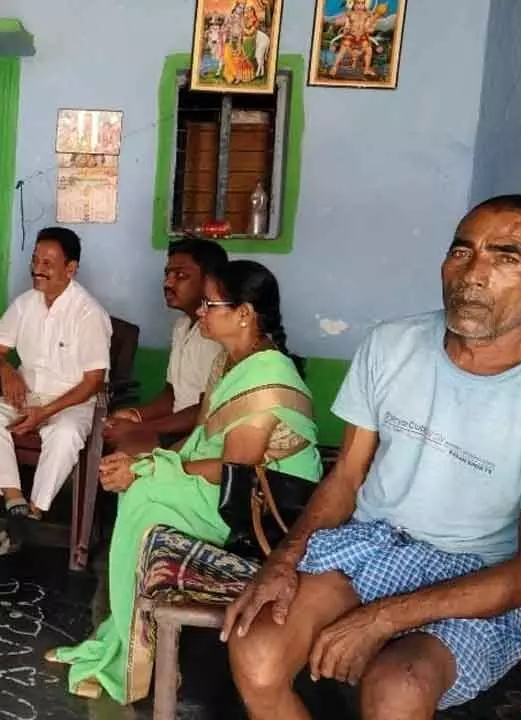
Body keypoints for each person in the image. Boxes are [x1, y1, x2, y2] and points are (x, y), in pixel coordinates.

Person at [224, 194, 521, 718]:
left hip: (477, 574)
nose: (474, 274)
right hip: (371, 545)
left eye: (505, 257)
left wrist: (381, 619)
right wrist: (282, 563)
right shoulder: (391, 345)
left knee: (400, 686)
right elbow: (346, 476)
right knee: (255, 651)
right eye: (462, 252)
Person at [50, 259, 322, 703]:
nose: (201, 312)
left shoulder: (269, 376)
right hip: (232, 488)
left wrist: (149, 468)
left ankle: (130, 661)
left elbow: (234, 470)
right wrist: (151, 462)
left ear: (244, 314)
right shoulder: (232, 362)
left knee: (144, 495)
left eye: (211, 305)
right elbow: (200, 442)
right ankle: (118, 641)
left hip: (262, 510)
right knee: (141, 485)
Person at [0, 227, 112, 555]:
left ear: (70, 268)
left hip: (72, 402)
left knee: (63, 436)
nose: (37, 268)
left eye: (48, 262)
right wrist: (5, 370)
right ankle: (15, 503)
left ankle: (34, 511)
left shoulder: (89, 313)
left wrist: (45, 413)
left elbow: (93, 382)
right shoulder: (25, 303)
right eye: (35, 260)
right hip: (27, 395)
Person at [104, 237, 228, 455]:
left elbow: (205, 410)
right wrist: (135, 414)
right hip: (177, 425)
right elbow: (172, 395)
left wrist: (140, 427)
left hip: (202, 431)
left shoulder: (218, 336)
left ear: (209, 282)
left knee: (129, 449)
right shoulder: (182, 327)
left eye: (181, 275)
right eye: (167, 274)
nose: (168, 283)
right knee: (116, 433)